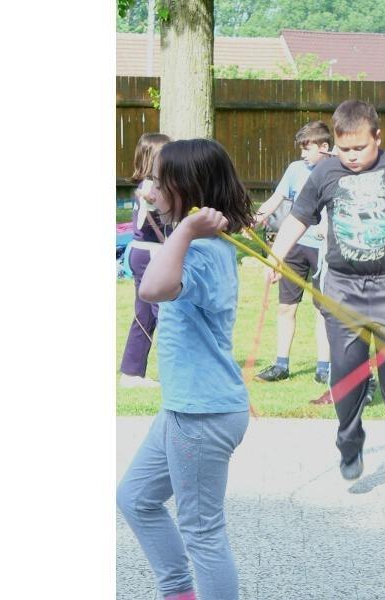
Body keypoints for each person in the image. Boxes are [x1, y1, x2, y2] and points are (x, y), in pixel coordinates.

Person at [268, 100, 385, 486]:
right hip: (343, 289)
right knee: (346, 372)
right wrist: (276, 255)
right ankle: (349, 442)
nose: (351, 156)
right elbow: (299, 217)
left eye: (360, 148)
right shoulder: (325, 172)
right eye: (344, 149)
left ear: (378, 137)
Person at [116, 139, 254, 600]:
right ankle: (179, 592)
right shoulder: (195, 245)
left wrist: (187, 229)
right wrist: (184, 229)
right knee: (135, 498)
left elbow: (152, 288)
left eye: (160, 181)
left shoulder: (204, 251)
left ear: (188, 189)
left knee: (202, 531)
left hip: (202, 414)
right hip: (186, 408)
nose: (151, 190)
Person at [254, 122, 333, 384]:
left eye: (307, 148)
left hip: (324, 249)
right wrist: (255, 219)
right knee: (286, 307)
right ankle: (281, 365)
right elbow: (275, 200)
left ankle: (324, 367)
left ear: (324, 147)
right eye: (301, 149)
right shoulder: (295, 169)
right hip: (294, 247)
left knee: (322, 310)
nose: (302, 154)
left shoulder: (336, 169)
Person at [119, 132, 171, 388]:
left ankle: (131, 372)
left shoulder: (149, 185)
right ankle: (174, 370)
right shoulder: (151, 187)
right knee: (166, 315)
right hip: (150, 255)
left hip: (143, 254)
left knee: (146, 314)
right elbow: (153, 200)